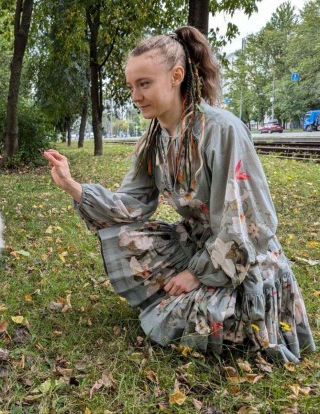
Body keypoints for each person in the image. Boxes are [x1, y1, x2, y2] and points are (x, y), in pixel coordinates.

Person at [42, 26, 316, 362]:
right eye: (131, 86)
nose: (135, 96)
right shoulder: (155, 137)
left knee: (182, 319)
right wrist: (74, 187)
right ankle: (193, 292)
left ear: (176, 76)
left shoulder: (222, 129)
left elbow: (248, 223)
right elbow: (133, 203)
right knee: (123, 236)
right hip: (198, 244)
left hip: (241, 257)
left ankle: (229, 310)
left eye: (144, 84)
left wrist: (195, 274)